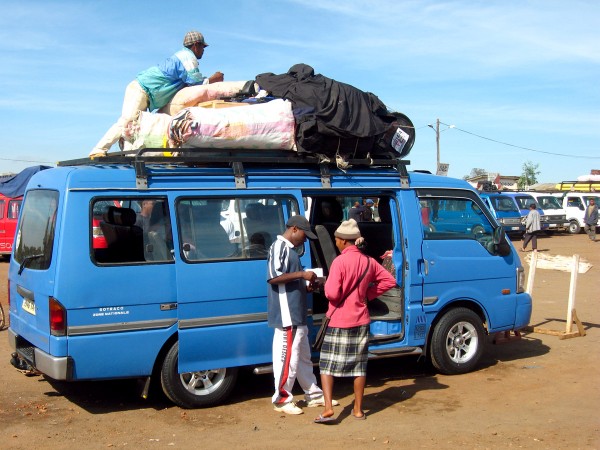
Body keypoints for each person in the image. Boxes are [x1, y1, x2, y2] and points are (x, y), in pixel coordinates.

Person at [90, 31, 224, 157]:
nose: (203, 51)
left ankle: (128, 156)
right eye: (202, 47)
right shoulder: (187, 57)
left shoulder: (183, 57)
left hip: (145, 92)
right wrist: (213, 79)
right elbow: (195, 82)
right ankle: (99, 150)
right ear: (195, 46)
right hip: (142, 89)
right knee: (127, 121)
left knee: (136, 127)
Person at [315, 219, 396, 423]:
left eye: (336, 239)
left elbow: (333, 294)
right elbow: (390, 281)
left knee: (327, 365)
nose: (335, 242)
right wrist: (367, 294)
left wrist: (324, 287)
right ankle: (358, 410)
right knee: (359, 367)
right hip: (361, 320)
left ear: (343, 241)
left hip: (339, 320)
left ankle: (327, 408)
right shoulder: (369, 261)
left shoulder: (339, 262)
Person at [267, 215, 338, 415]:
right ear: (295, 229)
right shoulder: (278, 247)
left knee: (303, 357)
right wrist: (302, 275)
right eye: (304, 235)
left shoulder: (289, 250)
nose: (305, 240)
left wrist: (308, 285)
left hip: (296, 312)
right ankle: (281, 398)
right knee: (288, 358)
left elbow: (286, 280)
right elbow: (273, 277)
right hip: (287, 314)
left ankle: (313, 394)